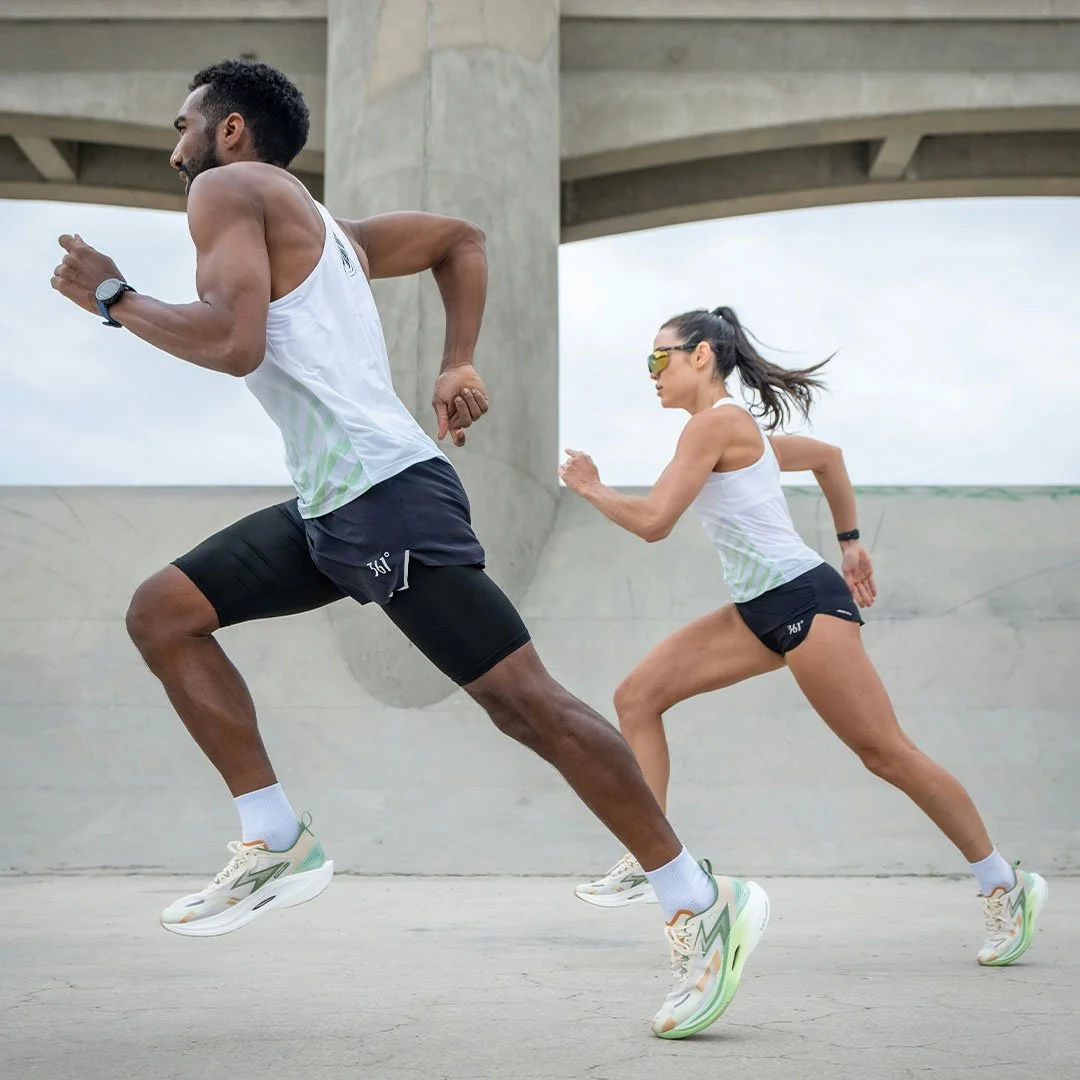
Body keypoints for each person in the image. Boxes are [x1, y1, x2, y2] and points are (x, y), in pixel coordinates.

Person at [48, 59, 768, 1038]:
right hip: (333, 509)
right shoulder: (328, 234)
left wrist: (112, 296)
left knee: (529, 706)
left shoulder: (226, 190)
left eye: (183, 123)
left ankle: (696, 898)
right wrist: (457, 355)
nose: (171, 143)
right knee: (164, 610)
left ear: (227, 132)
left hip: (385, 500)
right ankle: (275, 838)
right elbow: (460, 240)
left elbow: (236, 344)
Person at [559, 305, 1048, 968]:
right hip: (759, 609)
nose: (651, 374)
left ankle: (1005, 885)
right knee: (637, 696)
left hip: (806, 604)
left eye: (658, 358)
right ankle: (651, 856)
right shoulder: (739, 433)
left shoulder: (715, 424)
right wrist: (852, 544)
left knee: (886, 754)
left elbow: (653, 522)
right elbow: (828, 458)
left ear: (701, 354)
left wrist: (589, 487)